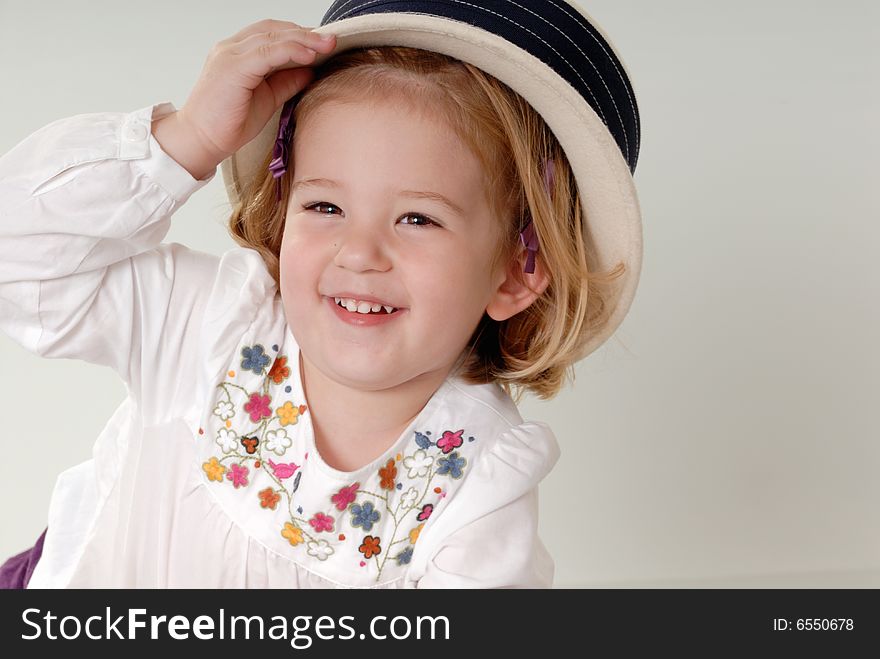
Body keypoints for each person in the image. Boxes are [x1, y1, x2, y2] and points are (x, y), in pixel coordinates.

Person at [0, 0, 642, 588]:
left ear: (516, 270)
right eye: (326, 204)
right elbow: (19, 259)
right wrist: (187, 141)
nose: (359, 252)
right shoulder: (208, 321)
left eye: (418, 218)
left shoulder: (476, 484)